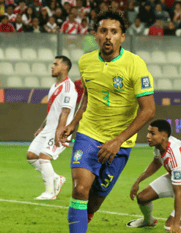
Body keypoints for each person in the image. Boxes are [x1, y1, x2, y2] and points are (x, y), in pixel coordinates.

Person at [57, 10, 156, 233]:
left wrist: (118, 140)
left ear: (122, 36)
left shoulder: (135, 64)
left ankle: (86, 217)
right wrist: (73, 123)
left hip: (120, 143)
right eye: (103, 31)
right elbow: (88, 95)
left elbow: (149, 110)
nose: (108, 36)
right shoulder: (86, 61)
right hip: (89, 135)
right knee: (80, 189)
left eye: (114, 32)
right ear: (95, 35)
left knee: (94, 201)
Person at [27, 56, 78, 200]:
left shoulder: (69, 88)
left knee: (44, 157)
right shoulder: (55, 86)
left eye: (55, 64)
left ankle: (50, 192)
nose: (52, 66)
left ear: (65, 67)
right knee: (31, 156)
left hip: (60, 131)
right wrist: (42, 127)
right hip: (49, 129)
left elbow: (65, 111)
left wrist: (59, 131)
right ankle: (56, 178)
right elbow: (52, 110)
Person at [126, 119, 181, 232]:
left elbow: (178, 192)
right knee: (142, 197)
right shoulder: (159, 145)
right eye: (148, 132)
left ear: (164, 135)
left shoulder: (176, 157)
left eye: (152, 133)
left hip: (179, 186)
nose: (148, 136)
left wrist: (176, 223)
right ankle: (148, 221)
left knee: (170, 227)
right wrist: (138, 181)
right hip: (176, 179)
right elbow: (156, 163)